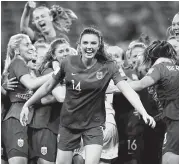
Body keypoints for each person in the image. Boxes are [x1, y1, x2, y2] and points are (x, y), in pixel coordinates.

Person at [20, 27, 155, 164]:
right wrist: (27, 104)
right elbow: (48, 86)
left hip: (94, 125)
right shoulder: (68, 63)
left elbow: (127, 90)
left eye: (93, 43)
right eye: (85, 43)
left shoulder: (109, 66)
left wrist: (144, 112)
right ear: (79, 45)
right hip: (69, 125)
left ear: (99, 45)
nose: (89, 46)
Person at [1, 34, 53, 164]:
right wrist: (58, 72)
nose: (32, 47)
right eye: (27, 44)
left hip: (27, 120)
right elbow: (31, 84)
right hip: (16, 118)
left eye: (31, 44)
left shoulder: (28, 69)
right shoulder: (18, 61)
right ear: (17, 50)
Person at [129, 40, 179, 164]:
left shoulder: (160, 67)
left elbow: (141, 84)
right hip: (176, 120)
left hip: (177, 122)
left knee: (169, 161)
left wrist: (116, 86)